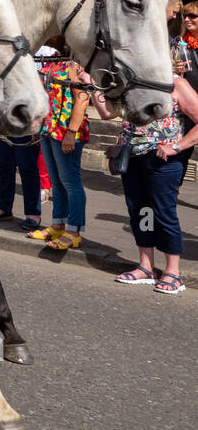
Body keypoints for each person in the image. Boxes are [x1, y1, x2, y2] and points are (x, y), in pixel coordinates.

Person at [94, 75, 198, 295]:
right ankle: (146, 267)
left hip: (164, 160)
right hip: (132, 157)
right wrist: (94, 86)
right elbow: (107, 113)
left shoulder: (175, 84)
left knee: (163, 212)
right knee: (141, 212)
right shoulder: (129, 83)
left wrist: (177, 147)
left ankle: (173, 272)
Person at [28, 39, 91, 249]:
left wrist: (71, 133)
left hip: (66, 130)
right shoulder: (52, 63)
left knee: (70, 181)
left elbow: (82, 99)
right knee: (56, 181)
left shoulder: (74, 67)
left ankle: (73, 230)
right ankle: (58, 224)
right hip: (49, 128)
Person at [0, 133, 43, 232]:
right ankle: (3, 208)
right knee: (4, 166)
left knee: (27, 168)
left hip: (26, 125)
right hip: (2, 124)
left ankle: (33, 213)